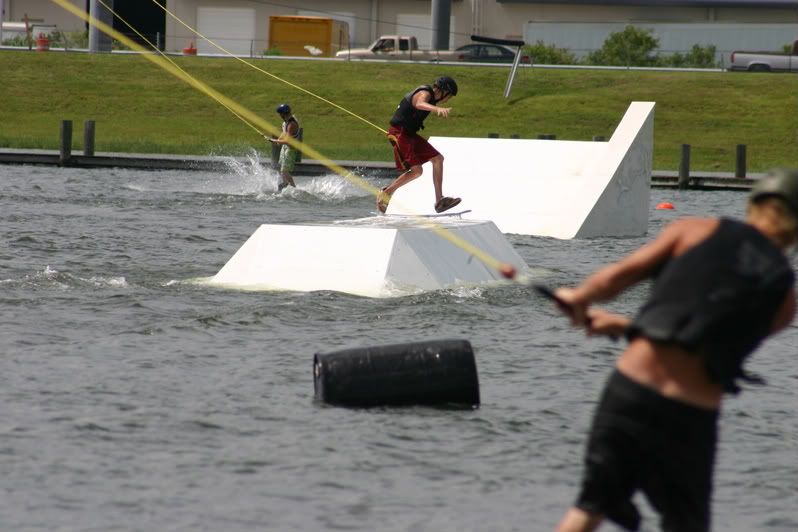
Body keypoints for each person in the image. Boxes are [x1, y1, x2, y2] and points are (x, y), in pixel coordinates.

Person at [549, 168, 798, 532]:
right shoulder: (785, 301)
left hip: (632, 390)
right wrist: (624, 326)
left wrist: (579, 297)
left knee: (589, 509)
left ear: (754, 204)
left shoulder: (694, 230)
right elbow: (710, 347)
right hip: (691, 416)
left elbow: (615, 279)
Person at [377, 76, 462, 214]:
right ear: (443, 91)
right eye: (449, 96)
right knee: (417, 171)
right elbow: (419, 103)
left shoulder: (432, 99)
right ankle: (386, 193)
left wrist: (435, 107)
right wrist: (437, 109)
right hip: (399, 133)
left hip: (410, 134)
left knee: (438, 159)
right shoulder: (425, 92)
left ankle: (439, 200)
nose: (448, 99)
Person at [267, 103, 299, 191]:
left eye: (280, 114)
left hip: (290, 150)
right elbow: (284, 133)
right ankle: (285, 184)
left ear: (283, 114)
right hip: (285, 148)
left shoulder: (292, 124)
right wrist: (278, 140)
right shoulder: (285, 123)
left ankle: (294, 189)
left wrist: (275, 141)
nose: (279, 116)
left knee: (285, 170)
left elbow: (288, 141)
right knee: (281, 168)